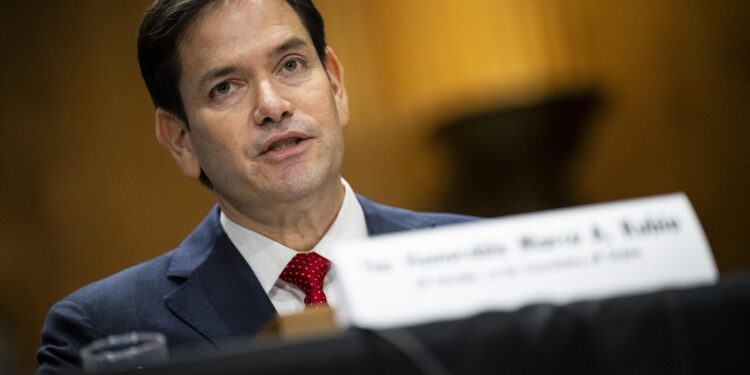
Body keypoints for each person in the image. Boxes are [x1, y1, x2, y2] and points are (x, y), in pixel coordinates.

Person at [36, 0, 475, 373]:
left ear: (336, 84)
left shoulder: (474, 259)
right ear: (181, 140)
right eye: (225, 87)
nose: (272, 105)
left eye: (291, 65)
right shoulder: (100, 332)